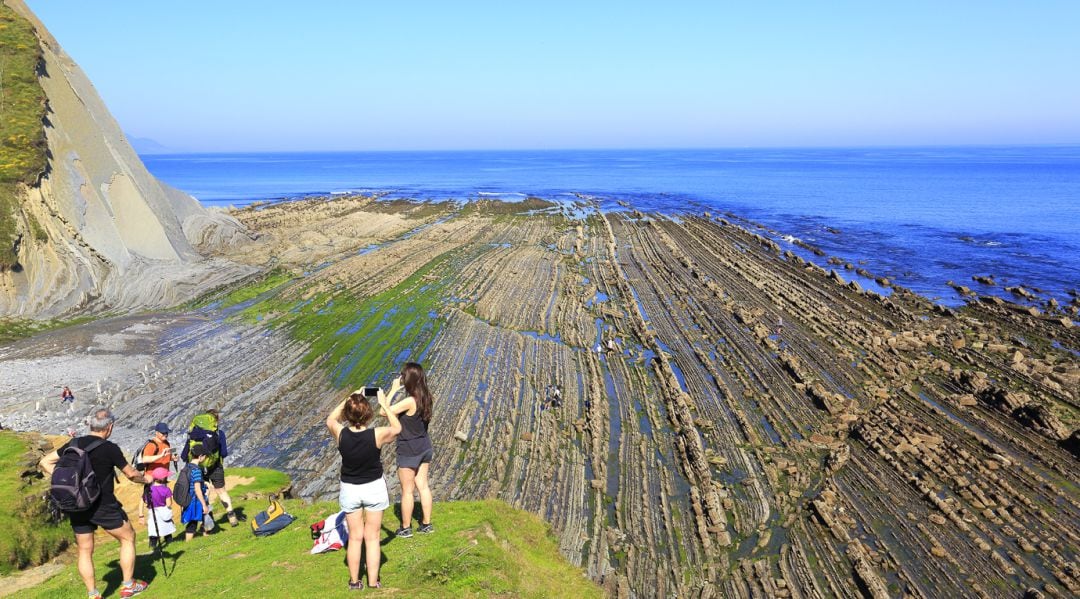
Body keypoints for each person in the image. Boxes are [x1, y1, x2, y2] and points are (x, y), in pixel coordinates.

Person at [38, 408, 152, 599]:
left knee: (84, 549)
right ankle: (128, 586)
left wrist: (72, 484)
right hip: (102, 504)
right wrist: (146, 480)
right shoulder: (109, 448)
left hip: (76, 504)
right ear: (109, 427)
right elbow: (131, 474)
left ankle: (93, 595)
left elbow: (45, 462)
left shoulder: (73, 443)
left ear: (90, 425)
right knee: (127, 537)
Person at [326, 384, 401, 591]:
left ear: (348, 415)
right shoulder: (376, 434)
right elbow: (397, 428)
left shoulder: (341, 433)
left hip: (350, 489)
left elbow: (331, 419)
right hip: (374, 488)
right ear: (368, 414)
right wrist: (384, 403)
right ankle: (373, 581)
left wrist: (350, 398)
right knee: (373, 537)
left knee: (355, 537)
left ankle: (354, 582)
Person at [387, 363, 435, 538]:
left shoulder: (409, 401)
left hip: (409, 448)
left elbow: (384, 412)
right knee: (423, 486)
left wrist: (393, 390)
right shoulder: (427, 397)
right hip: (424, 446)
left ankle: (406, 528)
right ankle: (426, 524)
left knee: (407, 490)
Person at [180, 446, 212, 541]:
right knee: (206, 517)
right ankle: (206, 538)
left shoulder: (187, 466)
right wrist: (204, 505)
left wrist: (204, 483)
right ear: (200, 456)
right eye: (205, 456)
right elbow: (197, 489)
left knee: (193, 522)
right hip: (196, 500)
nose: (205, 458)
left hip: (188, 498)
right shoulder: (197, 470)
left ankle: (189, 542)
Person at [140, 467, 176, 549]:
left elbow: (144, 501)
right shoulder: (166, 490)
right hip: (163, 511)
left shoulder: (149, 490)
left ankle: (153, 545)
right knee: (167, 529)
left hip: (152, 511)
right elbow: (168, 504)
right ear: (163, 478)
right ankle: (169, 543)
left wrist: (141, 514)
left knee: (153, 529)